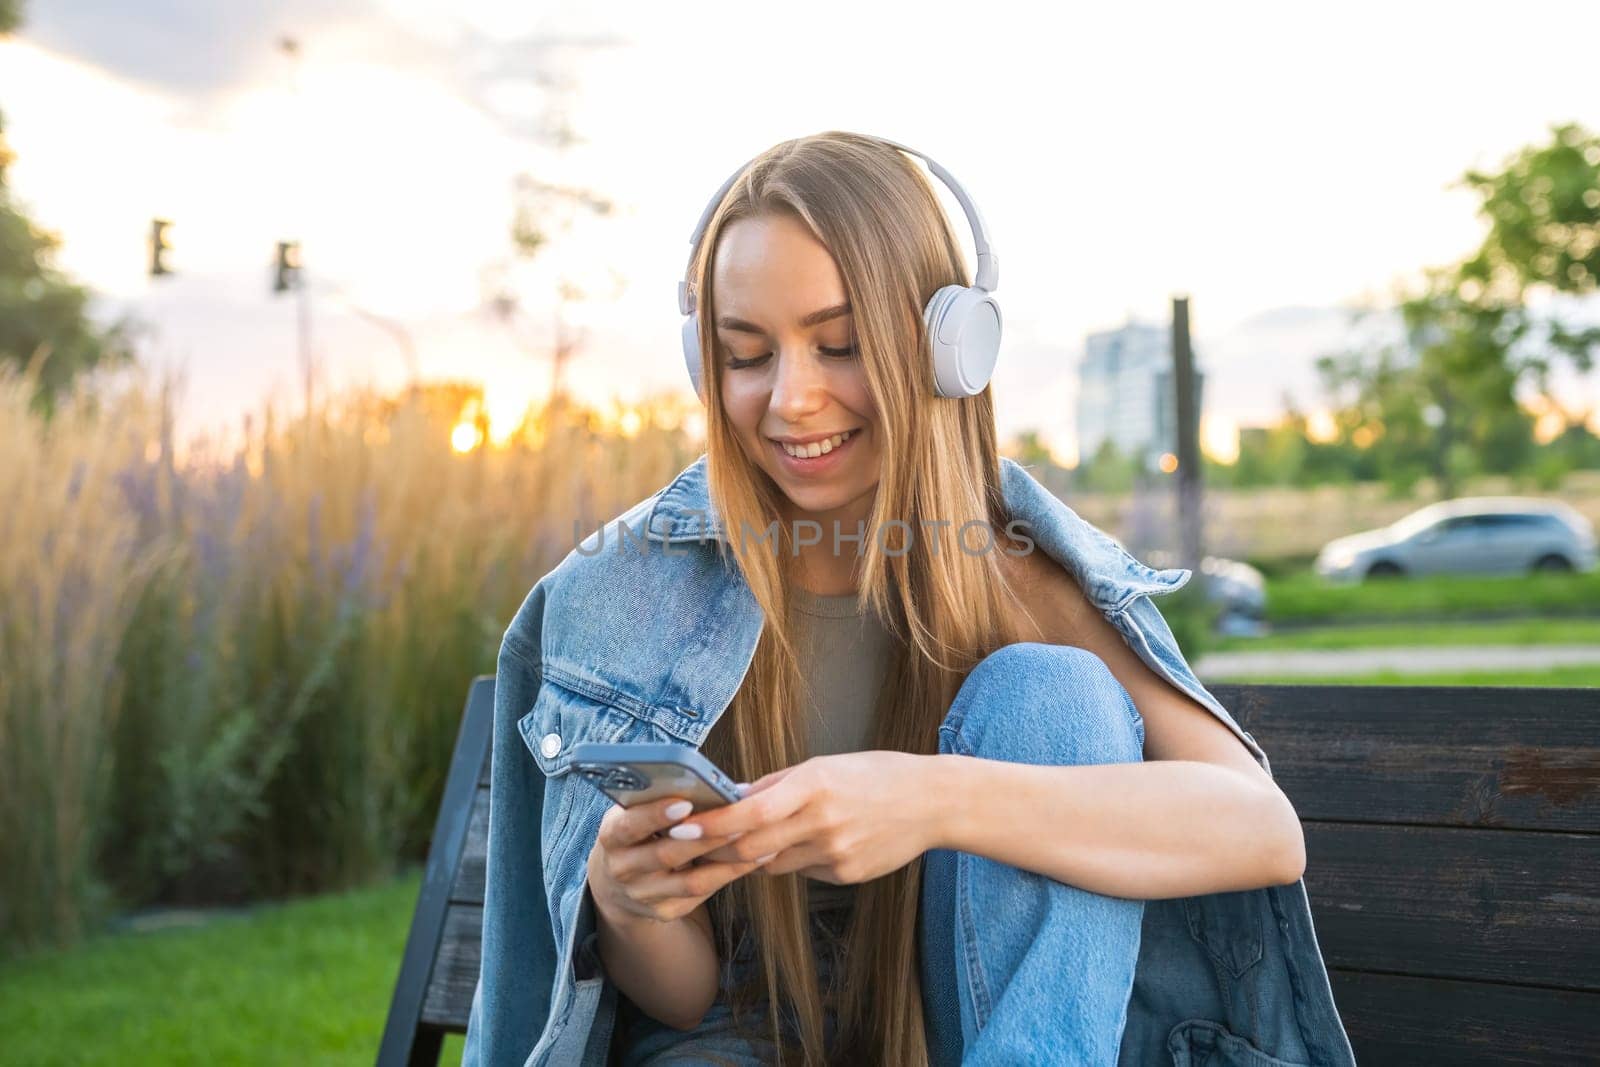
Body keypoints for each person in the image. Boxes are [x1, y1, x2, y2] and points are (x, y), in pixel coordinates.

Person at [461, 131, 1355, 1067]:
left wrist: (932, 799)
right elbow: (685, 1003)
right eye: (746, 354)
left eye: (839, 344)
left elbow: (1262, 829)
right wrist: (627, 899)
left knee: (1054, 695)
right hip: (735, 1038)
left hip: (974, 1030)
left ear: (948, 349)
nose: (791, 399)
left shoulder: (1015, 569)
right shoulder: (623, 600)